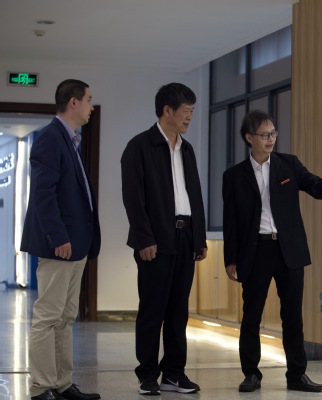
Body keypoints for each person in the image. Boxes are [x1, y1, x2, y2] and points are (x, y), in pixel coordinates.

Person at [222, 110, 322, 393]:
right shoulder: (234, 176)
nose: (271, 139)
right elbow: (231, 220)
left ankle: (297, 375)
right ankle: (251, 374)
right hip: (255, 251)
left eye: (273, 133)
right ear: (249, 137)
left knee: (293, 316)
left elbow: (315, 184)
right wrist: (231, 259)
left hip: (288, 250)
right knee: (252, 316)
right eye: (265, 134)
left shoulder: (288, 164)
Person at [121, 82, 208, 396]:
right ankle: (147, 374)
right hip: (154, 241)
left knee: (178, 311)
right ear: (167, 110)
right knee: (152, 310)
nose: (190, 117)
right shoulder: (139, 146)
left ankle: (173, 373)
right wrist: (144, 239)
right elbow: (133, 198)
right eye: (186, 111)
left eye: (192, 111)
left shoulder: (187, 149)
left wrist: (199, 238)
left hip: (185, 237)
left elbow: (194, 194)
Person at [21, 79, 101, 400]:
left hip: (77, 245)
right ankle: (42, 387)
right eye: (89, 100)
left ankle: (62, 384)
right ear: (73, 102)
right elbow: (43, 194)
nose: (91, 106)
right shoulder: (50, 138)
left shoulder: (72, 140)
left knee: (66, 318)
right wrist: (58, 236)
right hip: (60, 244)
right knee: (48, 317)